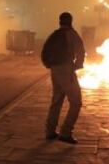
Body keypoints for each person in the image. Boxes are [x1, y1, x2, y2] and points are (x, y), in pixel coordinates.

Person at [41, 12, 85, 144]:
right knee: (76, 102)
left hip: (55, 70)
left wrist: (49, 65)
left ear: (60, 21)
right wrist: (77, 66)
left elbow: (44, 51)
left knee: (56, 101)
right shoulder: (72, 34)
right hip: (67, 70)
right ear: (70, 21)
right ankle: (65, 133)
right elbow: (80, 51)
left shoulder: (54, 34)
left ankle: (50, 131)